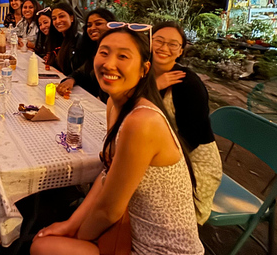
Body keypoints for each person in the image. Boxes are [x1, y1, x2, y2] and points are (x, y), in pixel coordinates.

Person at [31, 25, 203, 255]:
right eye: (104, 52)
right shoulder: (115, 104)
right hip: (130, 232)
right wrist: (70, 224)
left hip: (161, 250)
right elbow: (107, 174)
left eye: (123, 56)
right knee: (46, 241)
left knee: (44, 247)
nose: (109, 64)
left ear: (144, 69)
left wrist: (76, 235)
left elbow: (109, 211)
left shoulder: (142, 121)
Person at [152, 21, 222, 224]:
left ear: (180, 51)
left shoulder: (188, 84)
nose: (164, 48)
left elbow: (192, 136)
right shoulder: (142, 72)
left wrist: (156, 161)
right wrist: (154, 86)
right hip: (157, 148)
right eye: (159, 41)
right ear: (149, 42)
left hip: (191, 159)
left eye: (173, 44)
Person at [56, 8, 116, 101]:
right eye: (89, 25)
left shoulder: (117, 51)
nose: (92, 28)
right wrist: (71, 80)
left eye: (98, 23)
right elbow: (81, 72)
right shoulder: (92, 49)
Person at [45, 2, 82, 75]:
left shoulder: (80, 41)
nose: (58, 21)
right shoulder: (57, 39)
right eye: (54, 18)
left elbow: (81, 71)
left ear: (72, 18)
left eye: (61, 16)